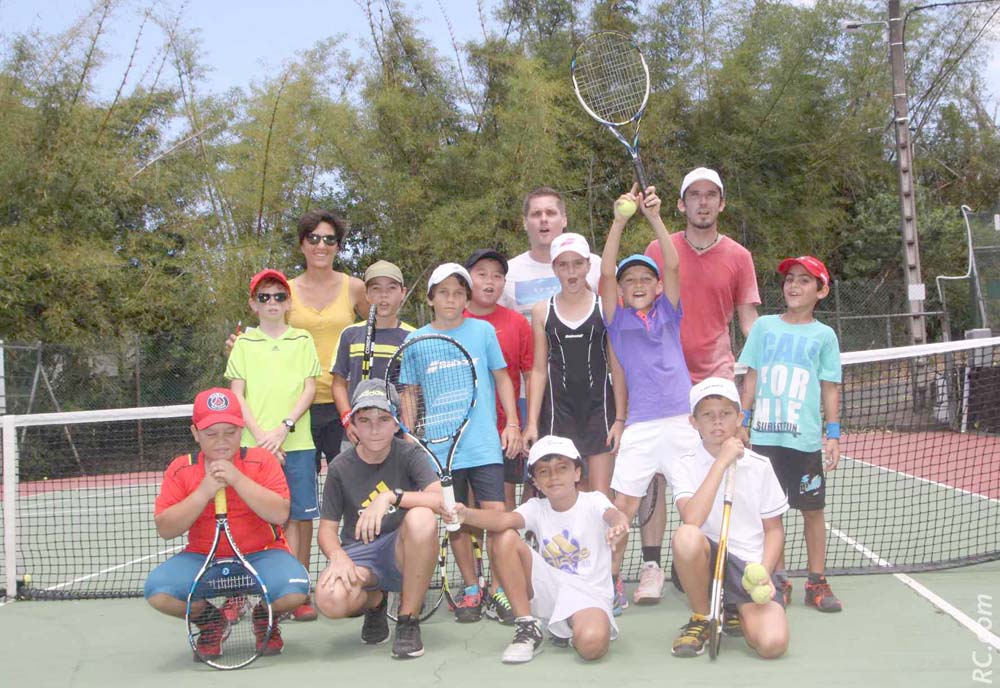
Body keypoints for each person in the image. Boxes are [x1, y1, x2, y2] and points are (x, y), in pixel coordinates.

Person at [638, 167, 761, 613]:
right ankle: (652, 563)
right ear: (681, 203)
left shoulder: (739, 256)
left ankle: (717, 557)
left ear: (722, 203)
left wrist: (746, 396)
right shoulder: (657, 247)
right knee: (656, 471)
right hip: (664, 381)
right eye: (695, 196)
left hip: (717, 380)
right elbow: (641, 310)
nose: (703, 203)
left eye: (712, 195)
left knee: (721, 470)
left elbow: (751, 327)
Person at [144, 388, 309, 659]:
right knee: (158, 592)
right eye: (211, 433)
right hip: (203, 559)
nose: (221, 441)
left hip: (262, 556)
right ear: (195, 433)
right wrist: (203, 492)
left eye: (230, 432)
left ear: (241, 429)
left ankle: (263, 616)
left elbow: (280, 514)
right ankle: (211, 621)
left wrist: (236, 479)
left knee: (296, 590)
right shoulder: (181, 468)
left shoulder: (262, 461)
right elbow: (166, 528)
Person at [598, 185, 700, 611]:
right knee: (622, 508)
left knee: (694, 511)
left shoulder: (668, 313)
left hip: (683, 422)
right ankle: (610, 586)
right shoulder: (616, 321)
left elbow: (673, 265)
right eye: (629, 280)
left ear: (657, 288)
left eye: (645, 278)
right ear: (620, 291)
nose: (637, 283)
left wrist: (655, 217)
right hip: (640, 425)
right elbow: (603, 273)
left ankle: (708, 579)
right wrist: (621, 221)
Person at [448, 435, 629, 664]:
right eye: (544, 472)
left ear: (577, 473)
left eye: (562, 468)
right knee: (505, 537)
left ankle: (572, 626)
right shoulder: (536, 508)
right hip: (548, 589)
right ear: (535, 482)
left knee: (592, 645)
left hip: (589, 596)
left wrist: (620, 523)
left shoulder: (594, 501)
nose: (553, 477)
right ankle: (528, 626)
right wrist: (466, 514)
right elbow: (502, 520)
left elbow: (614, 515)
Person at [411, 263, 523, 623]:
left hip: (483, 444)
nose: (451, 299)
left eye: (459, 293)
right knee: (454, 521)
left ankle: (501, 586)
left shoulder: (483, 331)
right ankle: (472, 588)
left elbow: (503, 379)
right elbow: (410, 394)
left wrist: (514, 424)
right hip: (441, 451)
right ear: (430, 299)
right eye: (443, 292)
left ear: (467, 298)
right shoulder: (416, 341)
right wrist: (412, 436)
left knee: (496, 517)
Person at [738, 256, 843, 612]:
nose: (794, 286)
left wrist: (833, 434)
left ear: (821, 290)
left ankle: (817, 581)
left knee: (812, 511)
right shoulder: (765, 328)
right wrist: (742, 420)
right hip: (766, 441)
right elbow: (750, 378)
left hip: (806, 441)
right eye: (789, 280)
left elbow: (830, 387)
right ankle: (778, 580)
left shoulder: (824, 336)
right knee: (771, 514)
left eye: (804, 280)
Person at [314, 380, 443, 659]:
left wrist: (389, 497)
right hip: (360, 556)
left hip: (402, 552)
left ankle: (408, 621)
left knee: (422, 517)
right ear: (354, 426)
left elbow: (438, 500)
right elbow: (326, 530)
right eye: (365, 420)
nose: (374, 428)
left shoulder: (410, 454)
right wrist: (338, 557)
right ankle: (375, 603)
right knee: (329, 599)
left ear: (397, 424)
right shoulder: (339, 467)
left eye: (384, 419)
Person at [669, 378, 789, 659]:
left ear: (740, 418)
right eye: (707, 415)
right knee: (686, 536)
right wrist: (721, 462)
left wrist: (763, 572)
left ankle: (735, 607)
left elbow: (774, 531)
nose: (717, 422)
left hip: (749, 566)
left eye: (725, 414)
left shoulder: (760, 466)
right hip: (707, 561)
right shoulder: (684, 464)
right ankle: (703, 615)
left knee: (772, 644)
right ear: (693, 422)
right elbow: (692, 519)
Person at [225, 269, 321, 617]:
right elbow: (238, 395)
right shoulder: (244, 345)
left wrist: (283, 428)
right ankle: (245, 593)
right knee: (255, 519)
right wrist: (264, 439)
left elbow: (309, 389)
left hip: (297, 443)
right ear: (253, 304)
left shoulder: (303, 341)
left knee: (297, 519)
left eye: (279, 296)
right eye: (264, 297)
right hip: (253, 448)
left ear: (288, 303)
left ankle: (295, 593)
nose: (272, 303)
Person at [525, 233, 624, 498]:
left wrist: (620, 419)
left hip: (599, 414)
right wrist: (532, 423)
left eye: (578, 264)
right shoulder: (541, 312)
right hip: (559, 417)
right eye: (563, 264)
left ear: (588, 266)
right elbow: (538, 369)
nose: (571, 272)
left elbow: (617, 366)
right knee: (565, 497)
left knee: (601, 498)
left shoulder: (605, 309)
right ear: (554, 268)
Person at [463, 248, 533, 511]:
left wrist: (519, 426)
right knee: (466, 509)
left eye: (497, 276)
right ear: (468, 278)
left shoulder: (517, 323)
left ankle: (507, 554)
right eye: (481, 274)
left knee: (502, 506)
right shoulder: (452, 322)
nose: (489, 281)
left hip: (505, 434)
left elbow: (530, 374)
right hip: (463, 436)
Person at [331, 260, 415, 445]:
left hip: (395, 439)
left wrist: (408, 433)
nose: (383, 295)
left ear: (402, 293)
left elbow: (409, 392)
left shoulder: (412, 337)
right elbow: (338, 384)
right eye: (376, 288)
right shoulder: (350, 334)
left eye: (391, 288)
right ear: (366, 294)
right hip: (355, 437)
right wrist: (347, 421)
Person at [500, 187, 602, 318]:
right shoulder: (507, 272)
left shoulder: (595, 264)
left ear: (564, 219)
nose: (543, 219)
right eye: (536, 214)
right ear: (525, 222)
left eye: (550, 213)